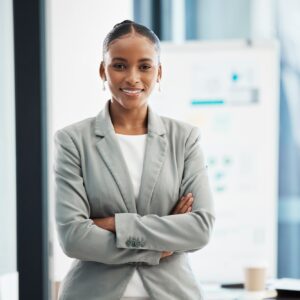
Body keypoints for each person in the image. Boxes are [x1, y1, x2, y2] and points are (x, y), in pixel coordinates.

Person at [54, 20, 215, 300]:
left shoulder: (185, 138)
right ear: (103, 70)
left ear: (159, 72)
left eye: (144, 66)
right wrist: (158, 246)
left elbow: (199, 229)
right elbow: (74, 237)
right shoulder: (72, 141)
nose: (132, 77)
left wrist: (115, 223)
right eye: (119, 65)